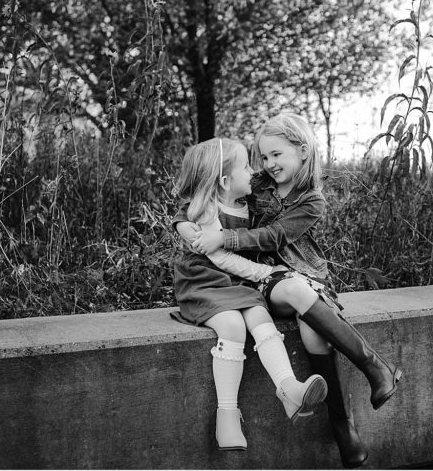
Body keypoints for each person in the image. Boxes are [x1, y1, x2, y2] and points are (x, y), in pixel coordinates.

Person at [181, 113, 402, 468]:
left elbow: (275, 236)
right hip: (264, 278)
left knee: (314, 334)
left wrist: (226, 237)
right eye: (263, 157)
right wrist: (186, 223)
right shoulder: (260, 183)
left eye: (276, 155)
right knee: (299, 293)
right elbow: (211, 187)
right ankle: (374, 366)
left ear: (302, 150)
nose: (267, 164)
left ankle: (342, 424)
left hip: (295, 274)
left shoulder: (311, 201)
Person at [170, 137, 327, 451]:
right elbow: (222, 258)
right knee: (232, 325)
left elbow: (275, 227)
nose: (254, 171)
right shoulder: (209, 208)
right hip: (204, 281)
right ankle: (226, 416)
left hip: (236, 285)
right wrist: (269, 273)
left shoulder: (249, 204)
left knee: (259, 315)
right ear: (225, 180)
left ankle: (289, 390)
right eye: (246, 166)